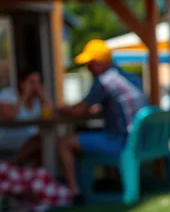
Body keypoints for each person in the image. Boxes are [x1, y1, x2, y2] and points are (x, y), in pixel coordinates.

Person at [56, 39, 148, 200]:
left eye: (90, 64)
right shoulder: (126, 77)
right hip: (140, 139)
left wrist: (57, 109)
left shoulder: (104, 82)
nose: (88, 68)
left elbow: (78, 110)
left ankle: (74, 192)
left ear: (100, 63)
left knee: (65, 143)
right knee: (90, 133)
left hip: (123, 142)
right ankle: (105, 180)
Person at [0, 69, 48, 165]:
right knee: (41, 142)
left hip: (30, 138)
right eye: (31, 82)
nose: (35, 86)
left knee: (47, 141)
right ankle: (13, 162)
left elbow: (52, 114)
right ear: (22, 84)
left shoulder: (38, 99)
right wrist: (25, 96)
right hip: (9, 139)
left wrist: (42, 97)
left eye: (38, 82)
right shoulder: (7, 94)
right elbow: (8, 116)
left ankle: (15, 163)